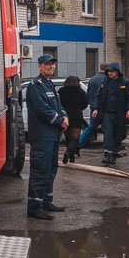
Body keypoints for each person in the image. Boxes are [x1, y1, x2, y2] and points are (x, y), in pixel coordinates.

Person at [25, 54, 68, 220]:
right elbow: (43, 109)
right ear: (39, 66)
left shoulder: (49, 84)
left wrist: (64, 115)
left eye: (52, 64)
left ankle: (47, 202)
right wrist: (60, 121)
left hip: (52, 136)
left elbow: (58, 105)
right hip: (42, 136)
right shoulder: (36, 85)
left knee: (50, 170)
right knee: (40, 171)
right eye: (47, 64)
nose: (51, 67)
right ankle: (35, 207)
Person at [90, 61, 129, 165]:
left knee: (118, 134)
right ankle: (108, 154)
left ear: (117, 72)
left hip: (120, 114)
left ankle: (114, 153)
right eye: (108, 71)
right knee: (108, 133)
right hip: (107, 113)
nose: (110, 73)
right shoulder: (105, 82)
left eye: (112, 71)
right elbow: (99, 96)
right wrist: (96, 108)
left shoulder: (125, 83)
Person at [79, 62, 110, 150]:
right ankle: (107, 147)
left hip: (93, 108)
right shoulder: (106, 79)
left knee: (91, 127)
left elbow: (88, 93)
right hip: (104, 108)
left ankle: (79, 144)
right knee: (107, 128)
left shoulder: (92, 79)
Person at [58, 75, 88, 165]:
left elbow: (58, 103)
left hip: (65, 117)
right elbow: (85, 104)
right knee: (74, 138)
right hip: (77, 117)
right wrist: (79, 108)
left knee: (68, 137)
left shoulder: (61, 91)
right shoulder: (81, 92)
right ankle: (68, 153)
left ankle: (71, 156)